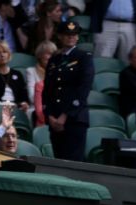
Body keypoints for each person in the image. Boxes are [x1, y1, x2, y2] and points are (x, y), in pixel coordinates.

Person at [44, 20, 93, 162]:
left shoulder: (84, 57)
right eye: (67, 34)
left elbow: (83, 89)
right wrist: (50, 116)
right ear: (59, 36)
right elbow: (48, 89)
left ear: (78, 37)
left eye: (74, 34)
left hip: (74, 119)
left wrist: (65, 115)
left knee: (73, 163)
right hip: (55, 119)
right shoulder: (54, 59)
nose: (71, 37)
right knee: (59, 161)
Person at [0, 40, 30, 108]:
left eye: (4, 52)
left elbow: (23, 95)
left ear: (8, 54)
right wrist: (3, 105)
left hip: (16, 108)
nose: (2, 55)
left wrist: (23, 103)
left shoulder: (17, 74)